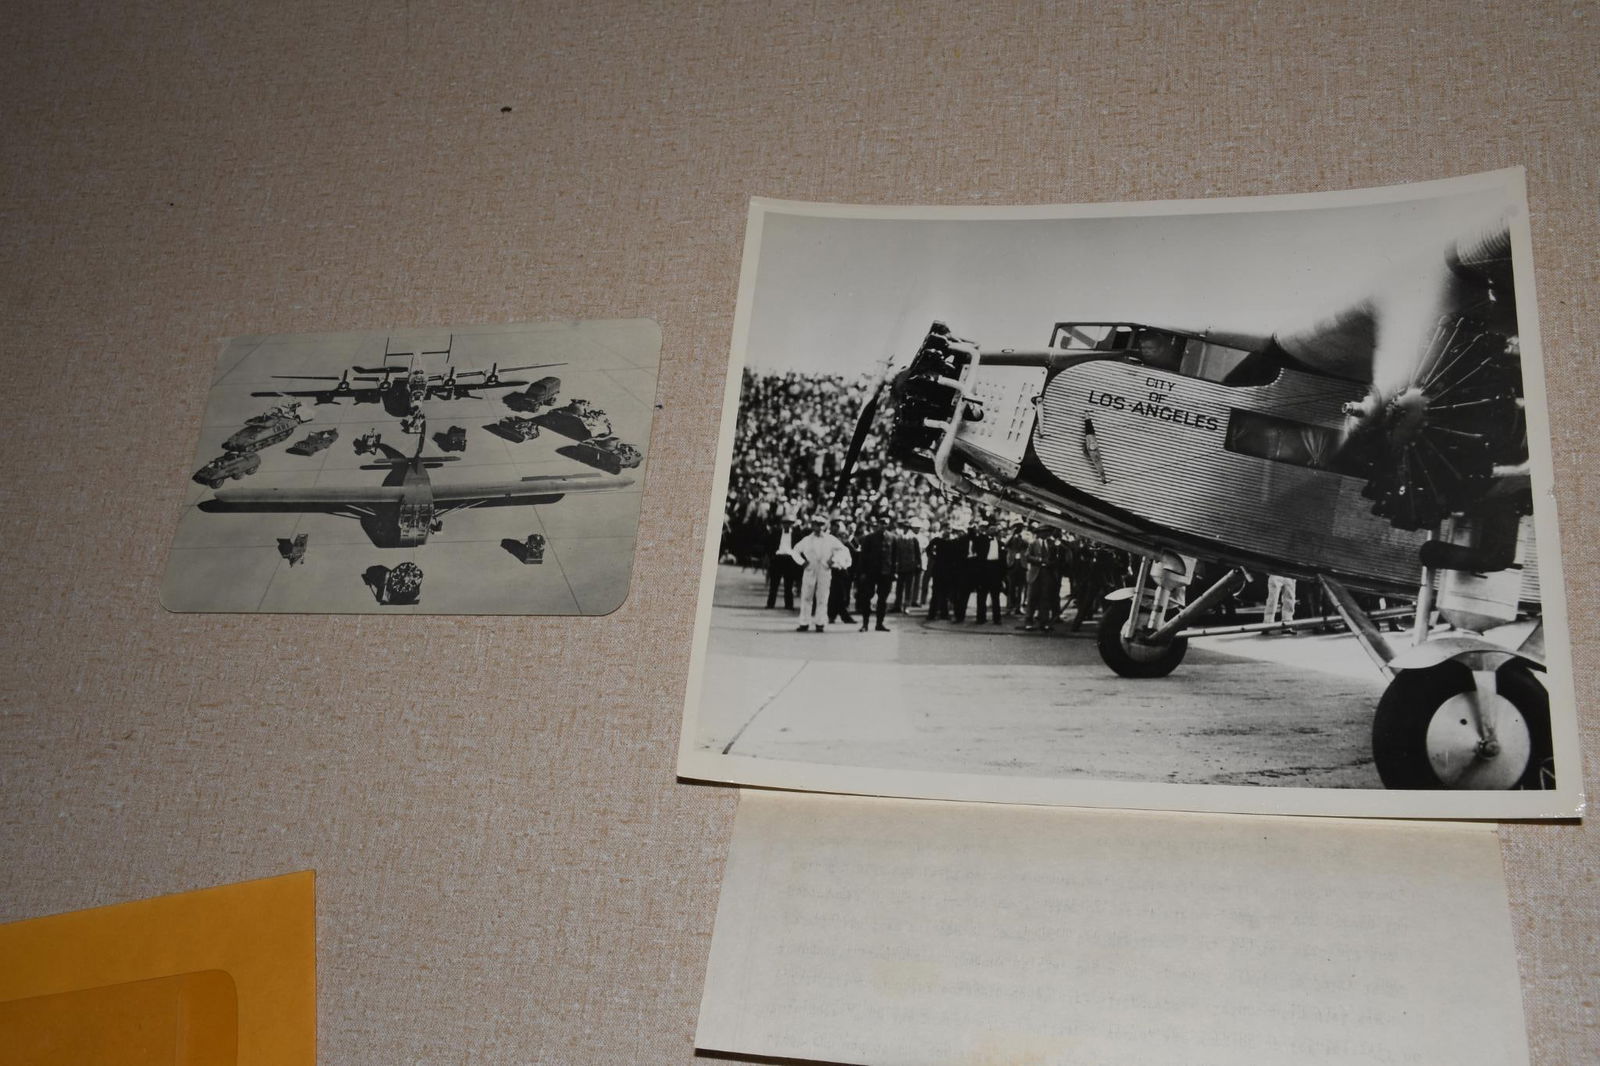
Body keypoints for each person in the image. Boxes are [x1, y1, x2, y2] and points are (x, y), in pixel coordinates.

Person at [792, 516, 850, 632]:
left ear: (824, 526)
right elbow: (795, 551)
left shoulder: (830, 539)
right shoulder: (807, 539)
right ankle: (804, 622)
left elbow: (843, 550)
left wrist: (833, 560)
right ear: (812, 526)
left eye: (821, 525)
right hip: (810, 569)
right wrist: (802, 562)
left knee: (822, 596)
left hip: (824, 569)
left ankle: (820, 622)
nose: (818, 527)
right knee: (806, 596)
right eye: (816, 525)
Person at [855, 515, 897, 631]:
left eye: (885, 523)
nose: (883, 525)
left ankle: (879, 624)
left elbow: (894, 557)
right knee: (866, 598)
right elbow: (863, 557)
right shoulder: (869, 538)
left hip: (886, 573)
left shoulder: (893, 538)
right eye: (881, 523)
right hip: (871, 572)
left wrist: (894, 572)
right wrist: (862, 572)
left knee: (882, 599)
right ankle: (865, 624)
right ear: (877, 524)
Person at [765, 517, 800, 610]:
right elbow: (768, 545)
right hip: (778, 559)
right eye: (785, 523)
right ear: (782, 524)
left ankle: (789, 605)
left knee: (788, 584)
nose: (787, 525)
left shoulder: (796, 535)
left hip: (789, 560)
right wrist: (772, 556)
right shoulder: (776, 533)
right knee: (774, 584)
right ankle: (770, 604)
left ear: (792, 524)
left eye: (789, 523)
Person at [891, 522, 922, 614]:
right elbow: (895, 553)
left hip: (910, 566)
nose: (906, 529)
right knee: (899, 587)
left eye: (907, 528)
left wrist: (918, 564)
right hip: (901, 566)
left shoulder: (913, 539)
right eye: (904, 527)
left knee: (909, 588)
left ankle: (906, 606)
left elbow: (917, 553)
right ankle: (897, 605)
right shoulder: (898, 539)